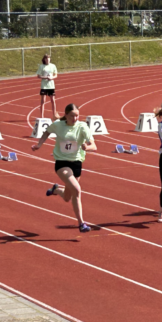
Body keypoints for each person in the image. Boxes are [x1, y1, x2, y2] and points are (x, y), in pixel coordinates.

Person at [32, 103, 97, 232]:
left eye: (77, 116)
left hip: (77, 162)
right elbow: (46, 132)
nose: (75, 119)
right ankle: (81, 223)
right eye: (72, 116)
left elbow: (94, 146)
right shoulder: (58, 125)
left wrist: (87, 148)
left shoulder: (82, 126)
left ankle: (56, 190)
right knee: (77, 190)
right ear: (66, 115)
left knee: (68, 197)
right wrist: (39, 144)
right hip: (62, 163)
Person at [37, 54, 59, 119]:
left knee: (53, 100)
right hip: (44, 86)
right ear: (44, 60)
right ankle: (41, 116)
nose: (48, 60)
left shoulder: (53, 66)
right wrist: (46, 77)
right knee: (43, 101)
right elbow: (38, 76)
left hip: (51, 86)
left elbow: (56, 75)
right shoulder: (41, 66)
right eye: (46, 59)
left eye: (49, 59)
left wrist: (52, 78)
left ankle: (54, 115)